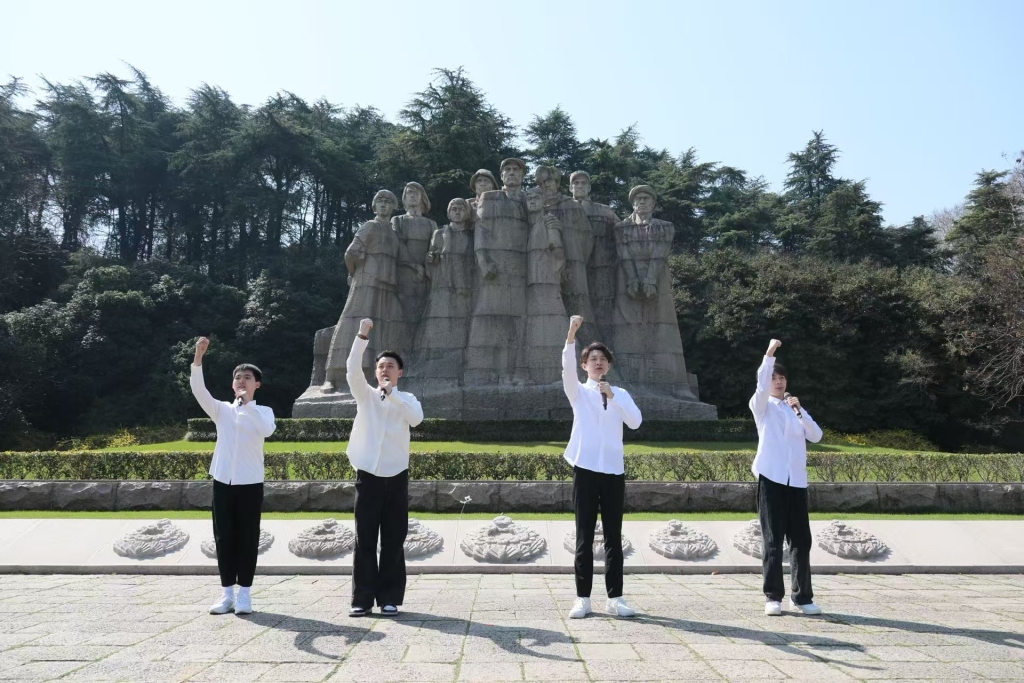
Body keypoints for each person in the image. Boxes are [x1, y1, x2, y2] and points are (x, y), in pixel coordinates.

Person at [562, 315, 642, 619]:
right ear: (585, 366)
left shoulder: (619, 393)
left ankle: (615, 597)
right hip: (584, 469)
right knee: (584, 536)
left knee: (613, 536)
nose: (597, 363)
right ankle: (583, 598)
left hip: (613, 472)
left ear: (608, 365)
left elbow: (635, 422)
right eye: (592, 359)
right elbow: (567, 370)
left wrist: (613, 398)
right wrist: (571, 334)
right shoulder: (579, 392)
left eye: (602, 359)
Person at [190, 337, 276, 616]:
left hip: (250, 483)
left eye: (247, 378)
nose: (241, 381)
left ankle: (245, 595)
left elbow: (266, 431)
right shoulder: (222, 411)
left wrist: (247, 405)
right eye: (237, 378)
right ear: (232, 384)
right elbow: (199, 390)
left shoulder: (263, 412)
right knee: (223, 537)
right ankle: (227, 593)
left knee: (248, 537)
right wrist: (198, 358)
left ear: (256, 385)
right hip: (222, 481)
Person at [346, 317, 424, 617]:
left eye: (390, 366)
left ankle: (389, 598)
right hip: (367, 475)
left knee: (393, 540)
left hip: (396, 476)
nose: (384, 370)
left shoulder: (408, 399)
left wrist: (392, 395)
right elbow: (353, 369)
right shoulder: (365, 396)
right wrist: (362, 335)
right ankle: (362, 600)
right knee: (364, 539)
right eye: (380, 367)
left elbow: (416, 419)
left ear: (400, 372)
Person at [749, 338, 824, 616]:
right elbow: (760, 383)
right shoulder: (762, 407)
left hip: (797, 482)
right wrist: (769, 354)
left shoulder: (795, 410)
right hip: (771, 479)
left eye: (782, 378)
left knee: (801, 541)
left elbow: (816, 435)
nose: (778, 382)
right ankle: (773, 597)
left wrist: (800, 411)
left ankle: (802, 597)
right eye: (774, 378)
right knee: (772, 540)